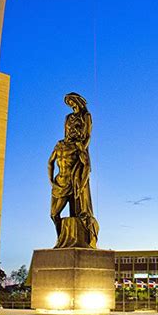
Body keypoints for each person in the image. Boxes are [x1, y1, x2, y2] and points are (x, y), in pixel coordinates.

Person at [48, 93, 99, 248]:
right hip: (60, 181)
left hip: (77, 157)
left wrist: (81, 147)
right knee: (53, 214)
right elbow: (50, 162)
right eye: (68, 102)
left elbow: (88, 135)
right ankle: (61, 240)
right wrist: (51, 180)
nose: (70, 104)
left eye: (71, 101)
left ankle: (81, 236)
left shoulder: (86, 115)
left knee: (78, 208)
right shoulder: (66, 124)